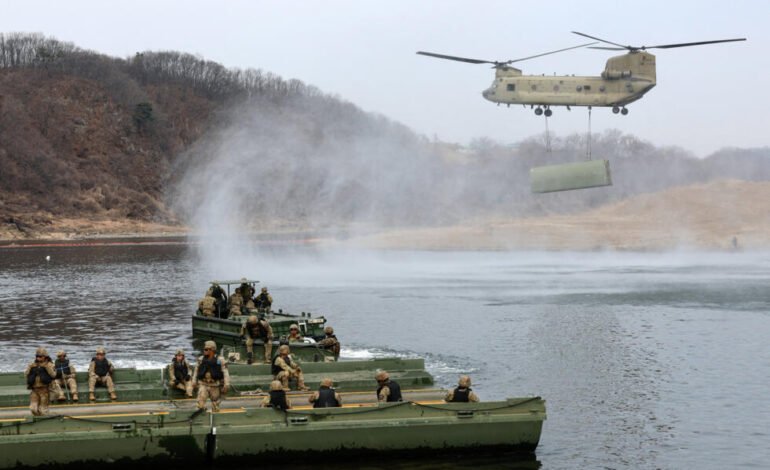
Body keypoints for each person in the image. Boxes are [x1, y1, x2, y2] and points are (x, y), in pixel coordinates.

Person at [193, 340, 230, 412]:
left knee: (215, 406)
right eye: (204, 349)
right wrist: (194, 381)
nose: (204, 351)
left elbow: (225, 372)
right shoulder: (201, 359)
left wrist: (226, 384)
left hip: (215, 385)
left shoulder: (220, 360)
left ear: (212, 350)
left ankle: (215, 411)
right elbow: (196, 371)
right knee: (200, 403)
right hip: (203, 384)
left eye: (206, 349)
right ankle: (201, 413)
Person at [24, 347, 56, 416]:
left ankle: (43, 420)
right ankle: (38, 418)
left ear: (45, 357)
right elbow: (26, 374)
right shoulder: (33, 365)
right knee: (33, 409)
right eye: (37, 356)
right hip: (34, 390)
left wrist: (46, 367)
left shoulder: (49, 364)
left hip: (44, 390)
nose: (38, 358)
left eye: (40, 356)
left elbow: (53, 375)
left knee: (43, 410)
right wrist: (30, 368)